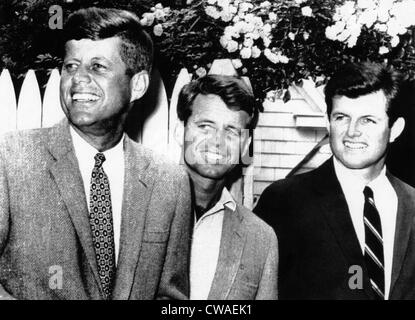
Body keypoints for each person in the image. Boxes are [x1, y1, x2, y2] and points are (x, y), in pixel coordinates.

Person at [0, 7, 191, 300]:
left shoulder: (170, 182)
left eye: (98, 67)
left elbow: (171, 297)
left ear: (138, 85)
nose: (78, 79)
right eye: (71, 66)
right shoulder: (11, 160)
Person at [254, 62, 415, 300]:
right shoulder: (284, 202)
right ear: (327, 121)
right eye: (341, 117)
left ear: (395, 129)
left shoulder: (413, 206)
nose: (352, 131)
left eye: (368, 120)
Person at [175, 75, 278, 300]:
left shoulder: (260, 238)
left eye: (231, 131)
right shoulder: (136, 208)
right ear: (179, 130)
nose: (217, 141)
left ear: (245, 146)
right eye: (205, 126)